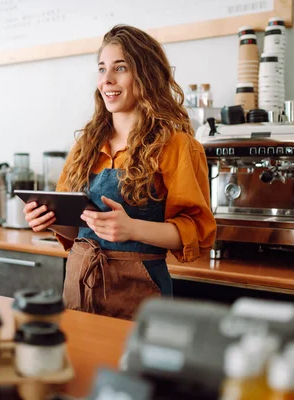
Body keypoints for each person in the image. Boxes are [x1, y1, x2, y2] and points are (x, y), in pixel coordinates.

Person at [23, 25, 216, 320]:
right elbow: (78, 232)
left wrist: (132, 229)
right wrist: (50, 221)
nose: (107, 80)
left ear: (147, 75)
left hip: (139, 296)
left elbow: (196, 234)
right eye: (101, 69)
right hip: (79, 289)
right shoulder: (84, 147)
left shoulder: (178, 146)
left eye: (120, 68)